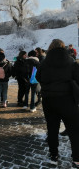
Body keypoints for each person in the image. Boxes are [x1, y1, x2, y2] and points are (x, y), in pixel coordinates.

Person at [36, 39, 79, 168]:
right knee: (74, 129)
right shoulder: (70, 60)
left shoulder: (45, 62)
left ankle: (53, 156)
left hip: (49, 100)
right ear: (63, 47)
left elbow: (38, 77)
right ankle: (77, 158)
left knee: (52, 129)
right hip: (67, 99)